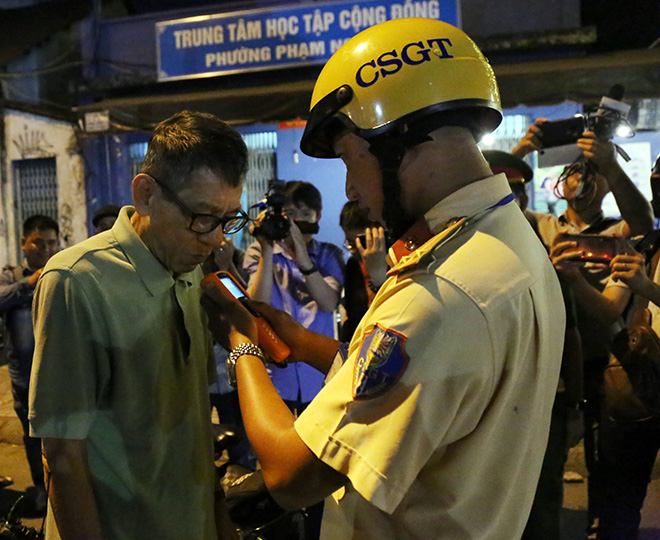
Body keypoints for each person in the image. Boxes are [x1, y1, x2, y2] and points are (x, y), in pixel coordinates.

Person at [201, 18, 565, 539]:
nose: (350, 189)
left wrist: (241, 346)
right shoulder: (509, 244)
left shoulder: (443, 290)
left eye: (351, 158)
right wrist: (303, 343)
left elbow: (290, 474)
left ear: (401, 140)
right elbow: (426, 387)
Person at [28, 111, 249, 540]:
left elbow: (195, 421)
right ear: (146, 194)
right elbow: (62, 454)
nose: (216, 239)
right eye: (202, 217)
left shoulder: (188, 270)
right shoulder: (77, 282)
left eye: (228, 219)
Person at [513, 119, 654, 537]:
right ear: (559, 179)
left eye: (593, 175)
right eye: (575, 172)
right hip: (554, 370)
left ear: (608, 186)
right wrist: (519, 153)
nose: (583, 180)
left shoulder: (620, 233)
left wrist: (609, 165)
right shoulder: (541, 225)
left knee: (608, 470)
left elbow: (642, 218)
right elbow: (492, 198)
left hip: (609, 365)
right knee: (544, 468)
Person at [244, 180, 344, 415]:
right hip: (277, 374)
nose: (296, 222)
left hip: (318, 376)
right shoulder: (258, 252)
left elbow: (329, 303)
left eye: (305, 214)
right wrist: (267, 251)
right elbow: (256, 305)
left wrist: (304, 259)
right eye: (290, 214)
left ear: (317, 217)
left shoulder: (329, 255)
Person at [0, 214, 59, 513]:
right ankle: (41, 487)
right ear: (24, 244)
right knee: (33, 435)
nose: (46, 249)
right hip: (25, 378)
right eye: (39, 242)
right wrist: (29, 283)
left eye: (52, 243)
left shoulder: (64, 274)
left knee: (65, 434)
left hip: (60, 374)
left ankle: (65, 488)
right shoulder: (10, 277)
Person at [338, 201, 388, 341]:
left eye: (360, 242)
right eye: (349, 243)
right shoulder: (354, 265)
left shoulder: (398, 262)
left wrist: (378, 275)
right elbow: (353, 317)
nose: (354, 249)